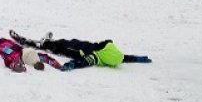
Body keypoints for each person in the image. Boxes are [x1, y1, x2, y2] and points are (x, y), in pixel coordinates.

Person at [9, 30, 152, 71]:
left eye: (104, 45)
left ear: (105, 51)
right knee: (63, 41)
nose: (101, 43)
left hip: (68, 49)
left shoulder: (94, 57)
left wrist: (70, 65)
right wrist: (139, 58)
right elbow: (124, 57)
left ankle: (43, 44)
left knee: (58, 45)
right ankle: (48, 42)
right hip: (75, 43)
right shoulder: (108, 54)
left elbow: (82, 62)